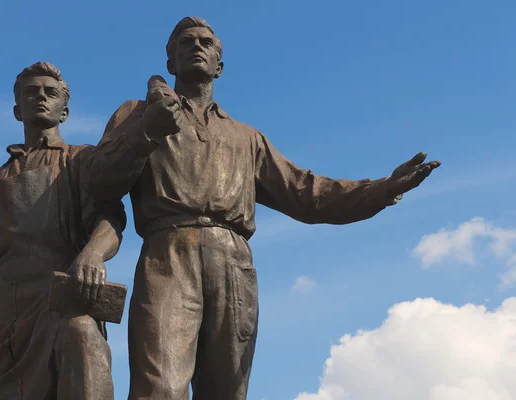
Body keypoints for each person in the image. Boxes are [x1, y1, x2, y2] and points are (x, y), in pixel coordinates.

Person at [86, 17, 441, 400]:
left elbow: (307, 193)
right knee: (161, 387)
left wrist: (380, 190)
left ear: (219, 65)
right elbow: (100, 183)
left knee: (228, 390)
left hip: (233, 263)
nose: (197, 46)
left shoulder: (245, 137)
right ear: (170, 62)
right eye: (186, 42)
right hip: (168, 255)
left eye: (207, 42)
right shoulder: (138, 113)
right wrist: (146, 131)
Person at [0, 61, 125, 400]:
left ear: (65, 111)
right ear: (17, 110)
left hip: (63, 298)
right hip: (2, 313)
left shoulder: (82, 160)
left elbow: (109, 220)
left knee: (83, 345)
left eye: (50, 92)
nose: (40, 97)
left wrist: (93, 252)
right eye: (31, 92)